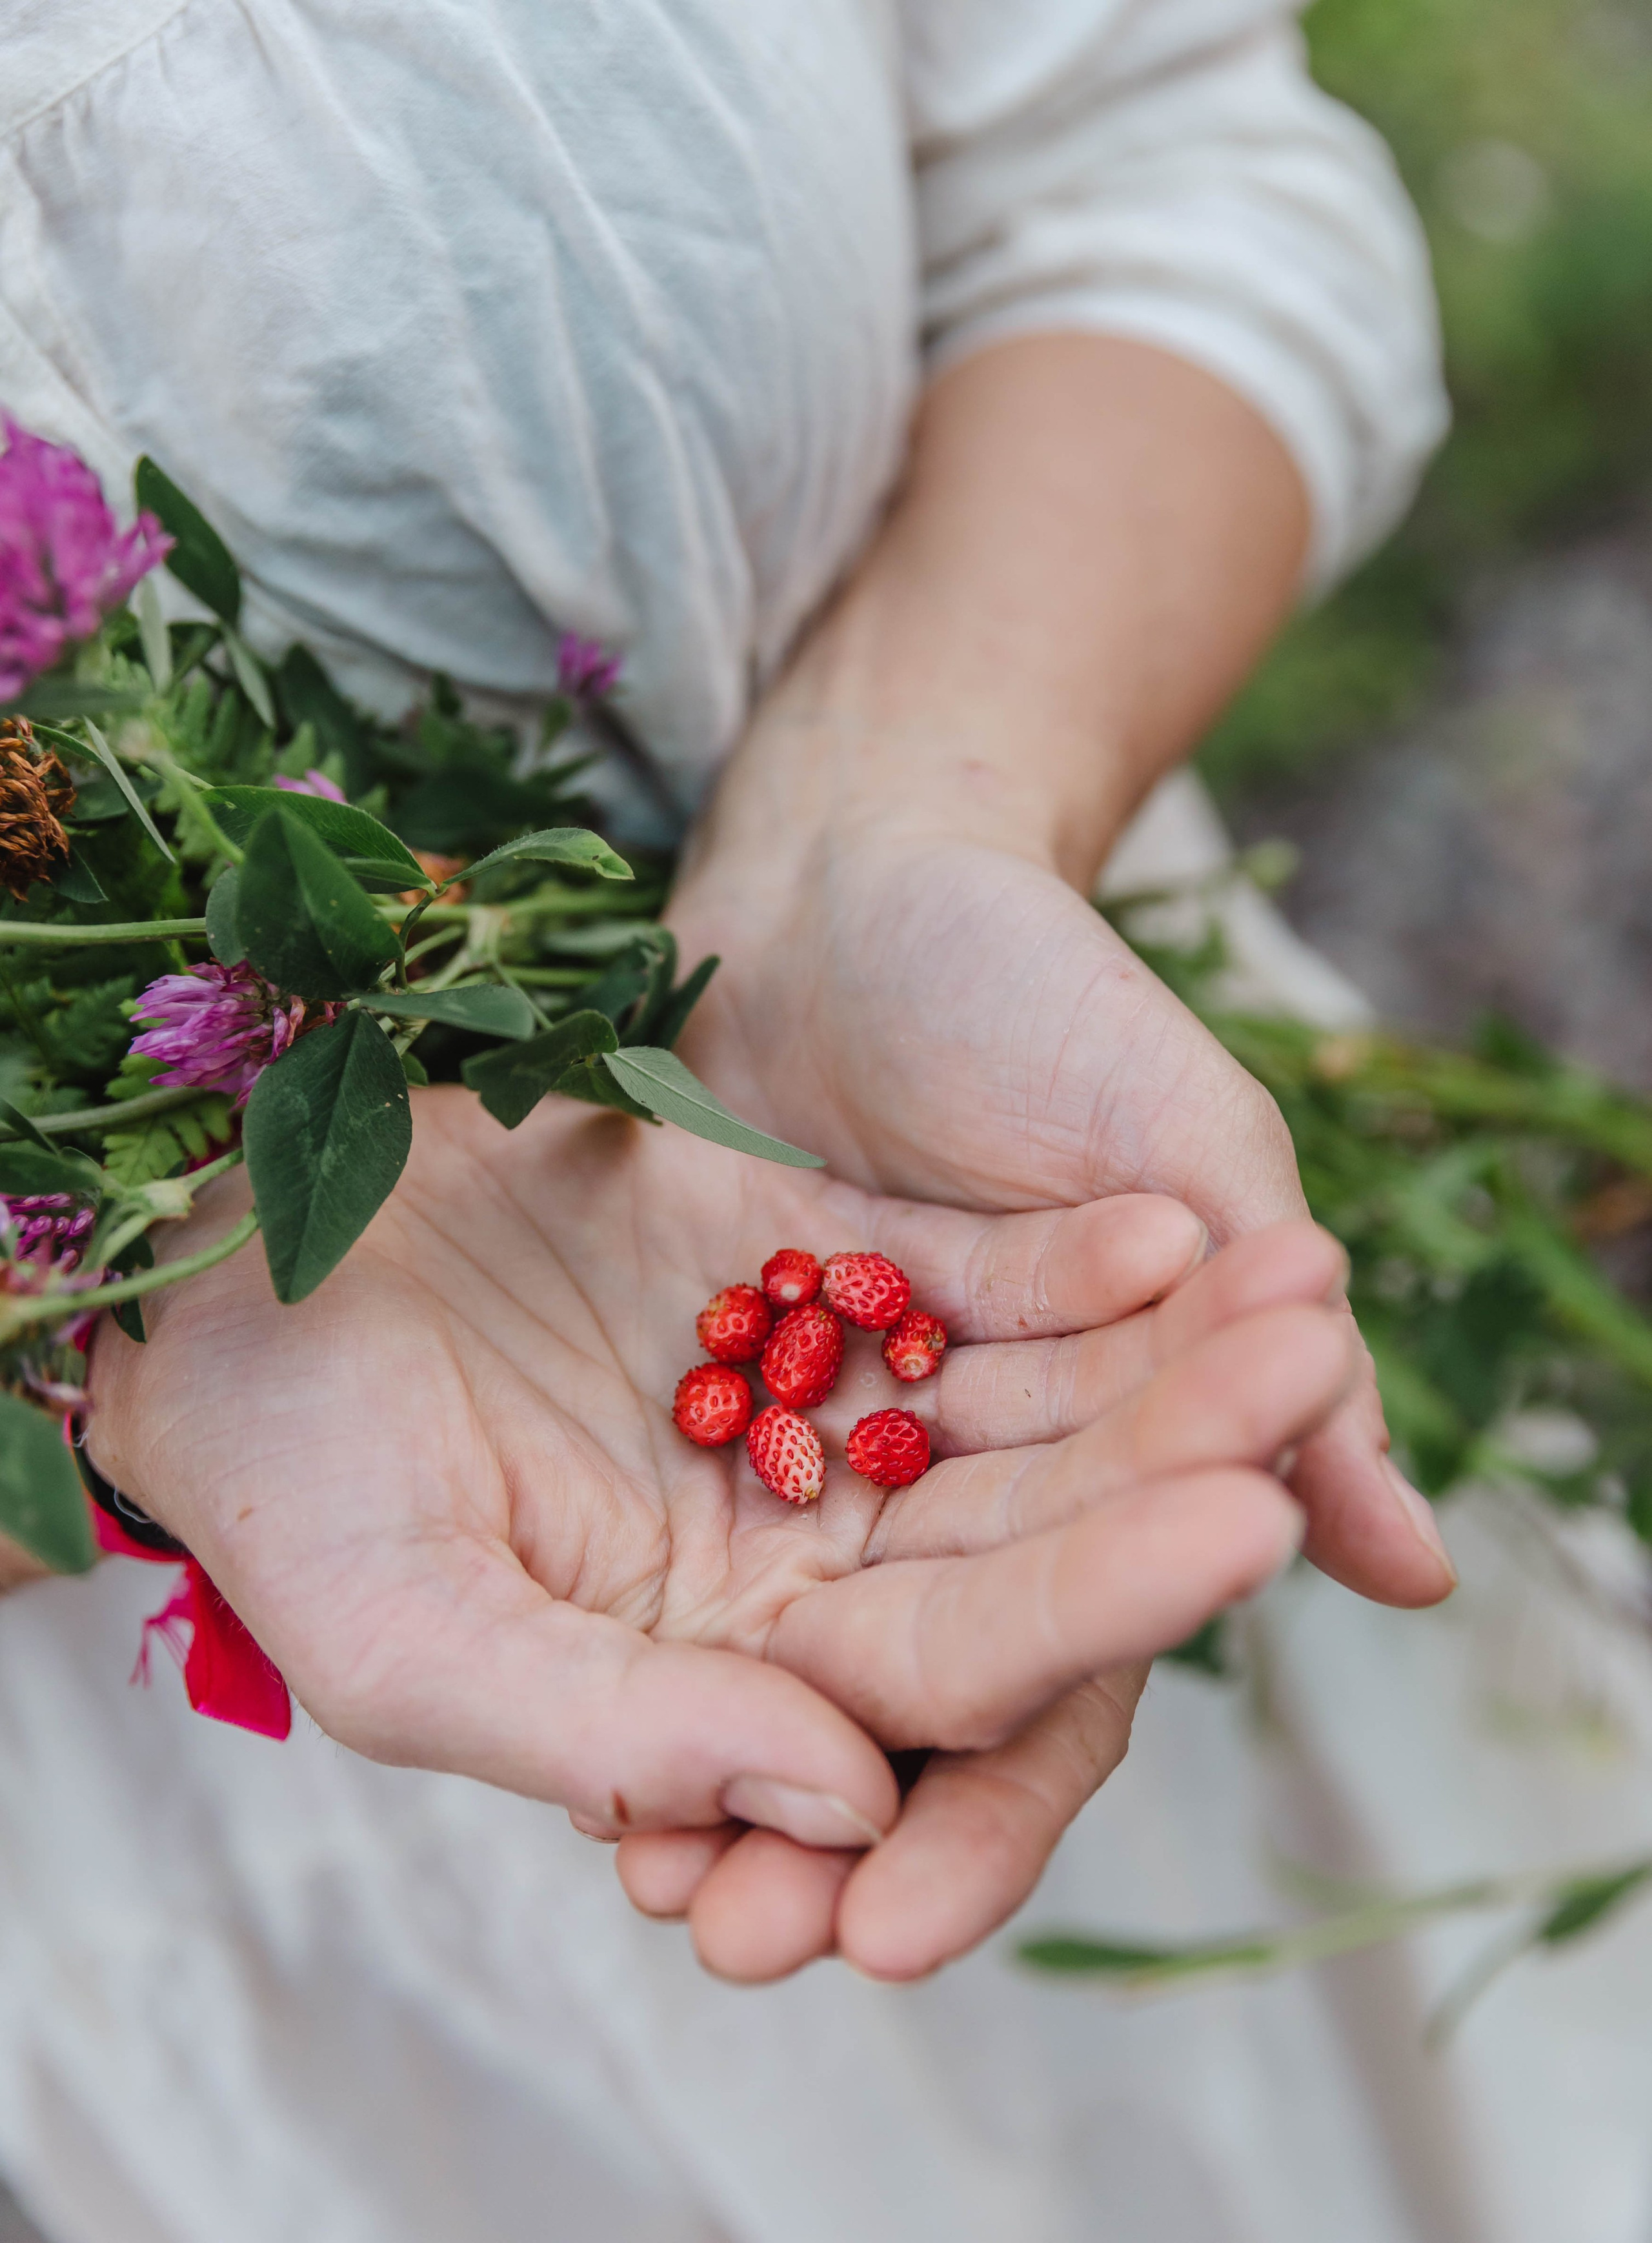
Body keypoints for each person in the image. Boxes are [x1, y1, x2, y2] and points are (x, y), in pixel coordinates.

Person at [0, 1, 1453, 2236]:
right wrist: (121, 1343)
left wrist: (901, 807)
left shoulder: (828, 1316)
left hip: (893, 1147)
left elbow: (1149, 165)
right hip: (208, 1927)